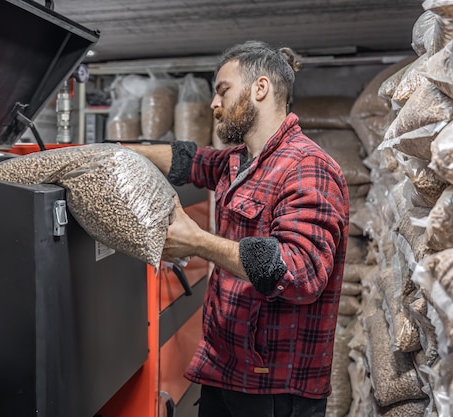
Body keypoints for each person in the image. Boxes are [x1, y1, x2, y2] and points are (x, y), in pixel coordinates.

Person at [128, 40, 350, 417]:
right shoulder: (241, 161)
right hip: (227, 370)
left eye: (223, 91)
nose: (214, 104)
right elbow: (193, 161)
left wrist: (197, 242)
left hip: (273, 388)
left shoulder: (307, 167)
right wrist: (123, 151)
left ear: (259, 88)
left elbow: (299, 272)